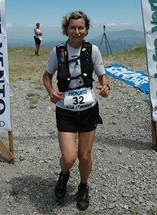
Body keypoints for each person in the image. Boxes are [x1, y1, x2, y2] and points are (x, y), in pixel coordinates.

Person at [43, 11, 110, 211]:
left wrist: (105, 86)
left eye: (81, 27)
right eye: (73, 27)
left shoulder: (93, 50)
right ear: (67, 29)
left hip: (89, 109)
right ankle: (63, 175)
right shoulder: (58, 51)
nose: (77, 31)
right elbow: (47, 76)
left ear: (86, 30)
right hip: (65, 110)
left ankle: (83, 186)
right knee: (69, 157)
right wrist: (51, 92)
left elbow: (102, 75)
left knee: (85, 156)